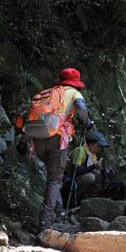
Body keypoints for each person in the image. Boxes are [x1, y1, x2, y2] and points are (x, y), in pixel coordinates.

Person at [24, 68, 91, 228]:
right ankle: (46, 222)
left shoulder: (47, 93)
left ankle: (59, 212)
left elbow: (30, 115)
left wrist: (22, 139)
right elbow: (81, 109)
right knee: (55, 179)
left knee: (53, 178)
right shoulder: (74, 93)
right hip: (57, 139)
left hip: (37, 139)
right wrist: (87, 122)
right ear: (76, 84)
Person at [63, 131, 110, 207]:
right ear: (90, 143)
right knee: (90, 177)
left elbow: (89, 169)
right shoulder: (80, 151)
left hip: (76, 178)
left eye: (100, 147)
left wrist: (104, 171)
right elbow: (76, 171)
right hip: (67, 179)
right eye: (98, 146)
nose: (99, 149)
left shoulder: (92, 155)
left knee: (98, 174)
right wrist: (93, 167)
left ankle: (86, 199)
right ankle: (71, 200)